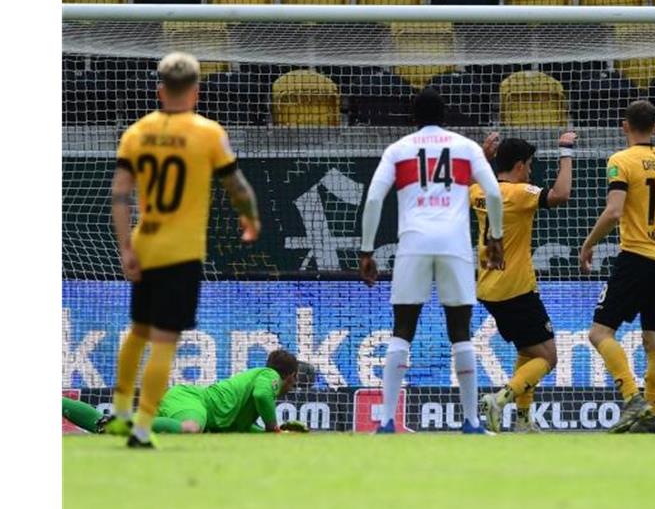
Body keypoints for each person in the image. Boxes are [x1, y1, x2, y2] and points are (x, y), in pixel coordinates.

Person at [107, 52, 261, 448]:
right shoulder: (209, 133)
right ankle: (141, 428)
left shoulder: (136, 132)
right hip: (182, 251)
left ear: (161, 90)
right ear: (195, 92)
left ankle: (120, 409)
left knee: (138, 329)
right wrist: (250, 217)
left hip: (145, 241)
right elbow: (238, 186)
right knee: (164, 339)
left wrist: (125, 246)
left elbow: (120, 194)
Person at [359, 87, 504, 434]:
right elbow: (495, 192)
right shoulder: (467, 147)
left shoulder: (399, 150)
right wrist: (495, 237)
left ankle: (387, 420)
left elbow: (375, 199)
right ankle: (470, 421)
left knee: (402, 330)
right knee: (460, 331)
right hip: (454, 244)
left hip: (413, 243)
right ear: (446, 115)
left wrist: (366, 250)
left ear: (412, 118)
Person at [579, 100, 655, 433]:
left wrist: (588, 244)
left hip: (635, 258)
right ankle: (652, 412)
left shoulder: (621, 161)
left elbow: (615, 211)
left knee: (599, 332)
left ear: (625, 126)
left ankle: (633, 398)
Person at [472, 131, 576, 433]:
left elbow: (465, 181)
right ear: (519, 166)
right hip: (516, 289)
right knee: (548, 357)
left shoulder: (479, 191)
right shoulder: (519, 194)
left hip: (488, 287)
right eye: (529, 165)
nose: (530, 171)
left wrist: (482, 156)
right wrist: (566, 152)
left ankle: (523, 420)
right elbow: (561, 194)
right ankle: (500, 399)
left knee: (528, 352)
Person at [64, 351, 308, 435]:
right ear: (290, 376)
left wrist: (272, 435)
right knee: (191, 429)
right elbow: (263, 396)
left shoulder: (249, 403)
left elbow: (243, 430)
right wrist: (274, 426)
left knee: (101, 427)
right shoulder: (269, 376)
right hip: (192, 401)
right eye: (295, 380)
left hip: (179, 402)